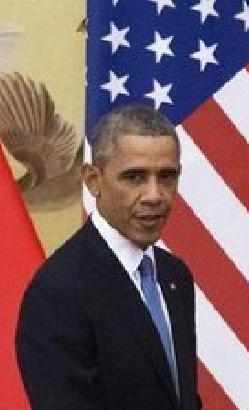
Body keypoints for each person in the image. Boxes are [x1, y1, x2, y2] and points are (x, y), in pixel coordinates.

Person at [16, 104, 201, 409]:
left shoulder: (174, 276)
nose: (154, 195)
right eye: (134, 177)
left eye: (167, 176)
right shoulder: (59, 291)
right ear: (93, 180)